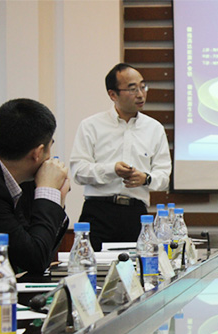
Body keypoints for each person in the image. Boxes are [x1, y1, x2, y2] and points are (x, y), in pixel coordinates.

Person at [0, 98, 70, 303]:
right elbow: (34, 258)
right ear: (37, 153)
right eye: (49, 147)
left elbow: (35, 249)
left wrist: (55, 200)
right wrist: (48, 193)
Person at [70, 63, 172, 251]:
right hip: (98, 211)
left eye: (143, 86)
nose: (140, 94)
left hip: (136, 214)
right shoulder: (91, 126)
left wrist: (146, 178)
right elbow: (78, 171)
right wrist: (112, 170)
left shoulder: (154, 128)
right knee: (91, 266)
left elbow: (164, 176)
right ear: (113, 94)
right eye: (132, 89)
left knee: (138, 267)